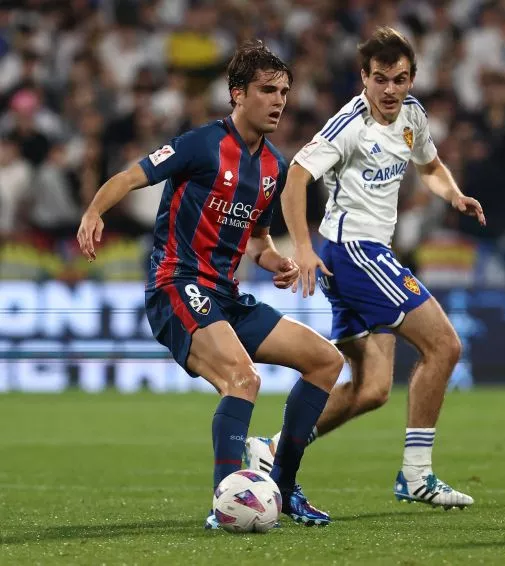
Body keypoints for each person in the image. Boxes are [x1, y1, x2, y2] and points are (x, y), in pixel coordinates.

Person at [76, 41, 344, 528]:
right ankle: (226, 506)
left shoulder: (274, 168)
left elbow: (257, 239)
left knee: (326, 361)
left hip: (224, 293)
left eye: (284, 91)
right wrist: (95, 210)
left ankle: (283, 488)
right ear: (237, 94)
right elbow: (130, 177)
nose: (279, 100)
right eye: (267, 90)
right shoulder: (200, 144)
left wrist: (276, 260)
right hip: (177, 283)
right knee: (242, 380)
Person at [244, 27, 483, 509]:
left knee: (372, 389)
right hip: (355, 253)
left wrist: (453, 194)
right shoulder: (348, 125)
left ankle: (272, 450)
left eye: (399, 79)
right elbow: (295, 177)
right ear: (364, 80)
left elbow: (431, 167)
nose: (390, 90)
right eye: (380, 80)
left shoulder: (413, 116)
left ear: (412, 78)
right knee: (444, 346)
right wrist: (304, 248)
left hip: (360, 255)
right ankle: (417, 475)